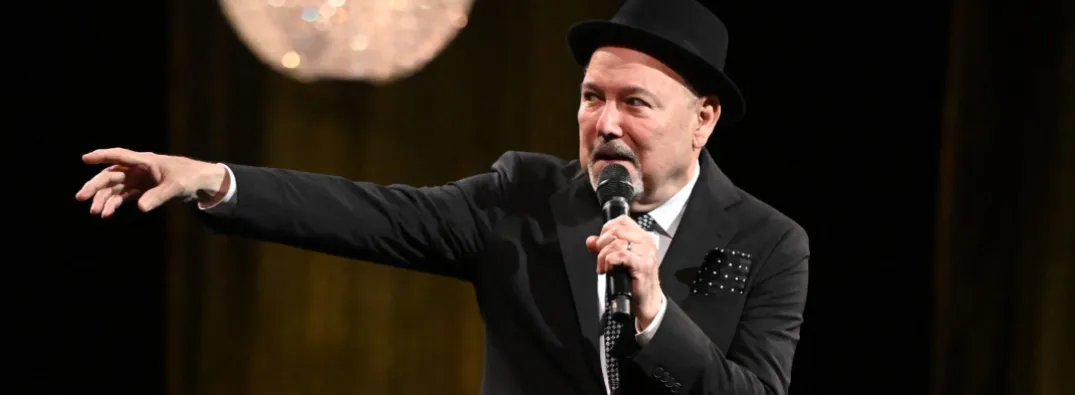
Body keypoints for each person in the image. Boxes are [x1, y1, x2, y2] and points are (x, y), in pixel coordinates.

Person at [75, 0, 809, 394]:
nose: (605, 123)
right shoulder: (523, 196)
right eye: (592, 97)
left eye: (635, 103)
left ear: (703, 119)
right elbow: (369, 214)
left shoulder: (771, 242)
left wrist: (653, 314)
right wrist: (213, 178)